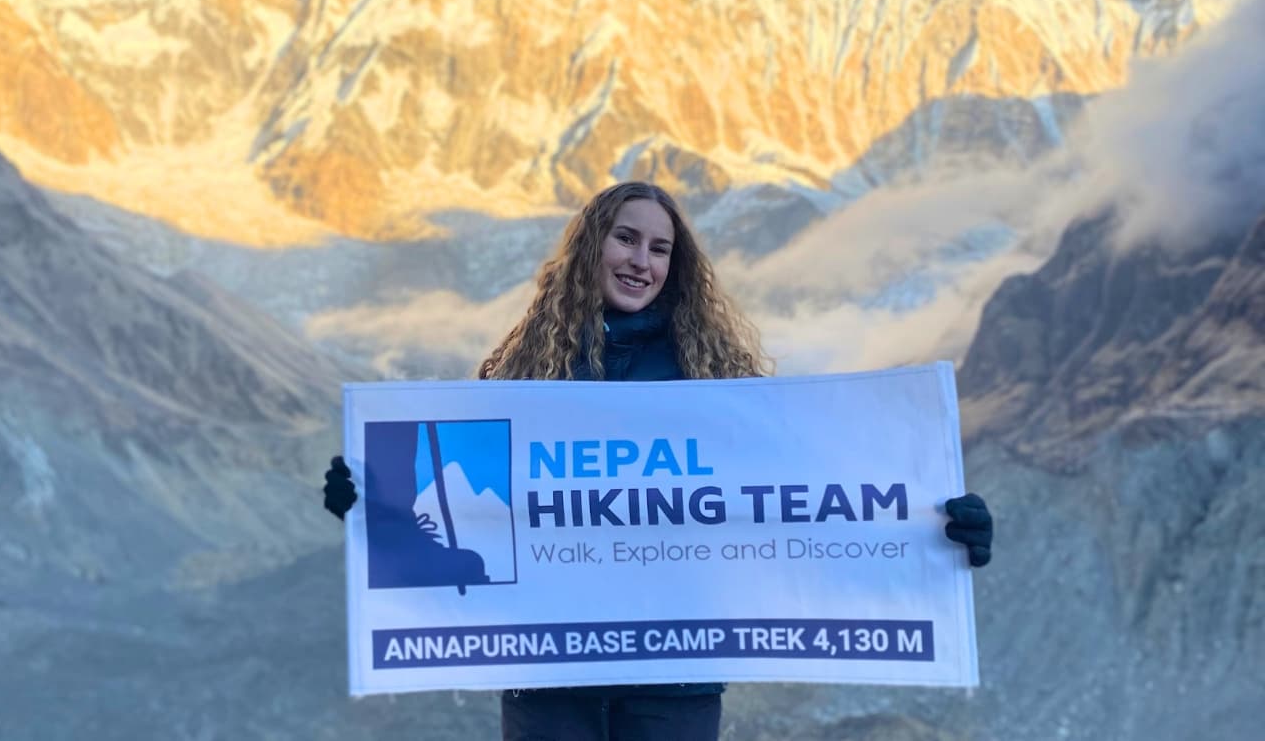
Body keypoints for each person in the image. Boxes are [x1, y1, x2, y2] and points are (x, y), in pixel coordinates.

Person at [323, 181, 995, 740]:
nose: (641, 259)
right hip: (549, 688)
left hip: (674, 686)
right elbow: (459, 501)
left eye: (660, 248)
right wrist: (369, 494)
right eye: (626, 238)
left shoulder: (716, 384)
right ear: (591, 246)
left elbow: (810, 498)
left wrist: (936, 522)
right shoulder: (523, 375)